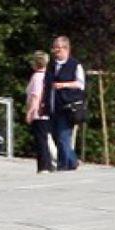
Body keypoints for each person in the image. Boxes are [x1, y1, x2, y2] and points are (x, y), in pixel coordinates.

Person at [45, 35, 84, 171]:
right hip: (53, 106)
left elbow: (80, 84)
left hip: (68, 107)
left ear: (66, 48)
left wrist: (64, 85)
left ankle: (63, 166)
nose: (55, 51)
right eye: (54, 48)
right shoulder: (51, 65)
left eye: (58, 48)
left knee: (63, 136)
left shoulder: (75, 65)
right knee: (56, 136)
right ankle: (72, 161)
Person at [25, 51, 54, 173]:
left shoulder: (37, 77)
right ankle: (48, 164)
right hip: (46, 111)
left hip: (39, 112)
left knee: (40, 140)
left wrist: (30, 112)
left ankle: (44, 166)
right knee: (45, 138)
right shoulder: (47, 76)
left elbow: (36, 96)